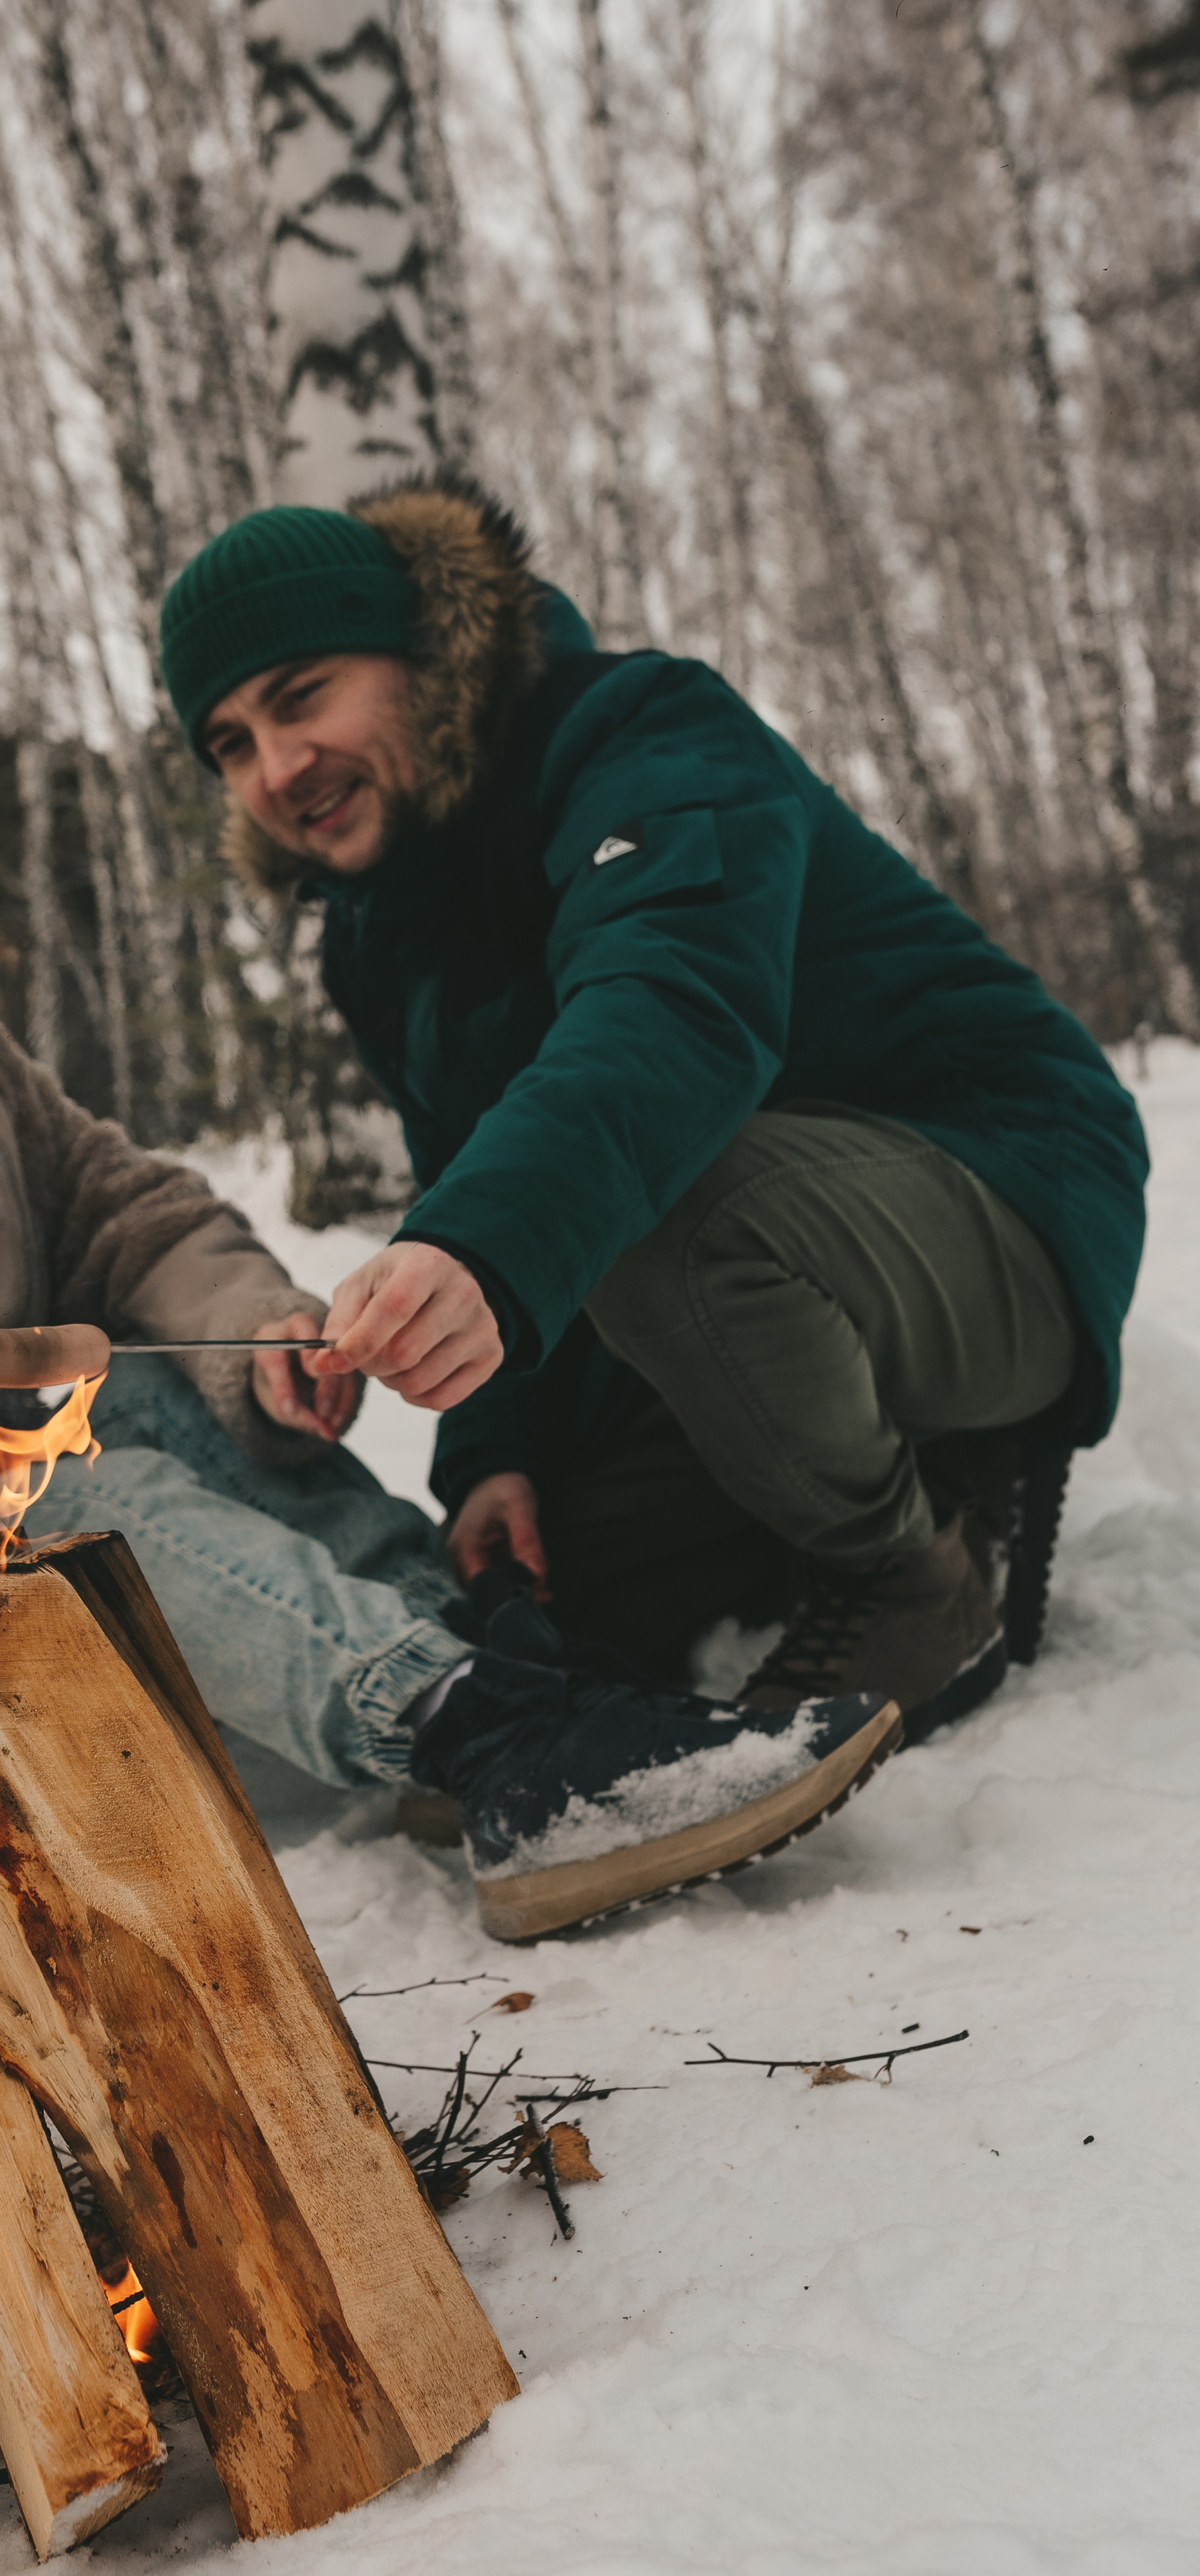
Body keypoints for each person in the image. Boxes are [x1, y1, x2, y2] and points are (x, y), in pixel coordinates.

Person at [0, 615, 892, 1943]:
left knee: (158, 1398)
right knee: (64, 1492)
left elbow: (137, 1218)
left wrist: (253, 1334)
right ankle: (465, 1725)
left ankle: (487, 1673)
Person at [160, 473, 1148, 1740]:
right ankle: (867, 1478)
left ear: (420, 655)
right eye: (230, 743)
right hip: (760, 1266)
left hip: (1003, 1200)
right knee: (583, 1602)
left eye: (302, 698)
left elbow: (671, 1016)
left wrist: (478, 1251)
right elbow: (470, 1167)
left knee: (665, 1204)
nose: (277, 769)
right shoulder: (375, 937)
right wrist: (492, 1456)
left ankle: (915, 1566)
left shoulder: (644, 733)